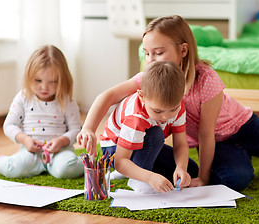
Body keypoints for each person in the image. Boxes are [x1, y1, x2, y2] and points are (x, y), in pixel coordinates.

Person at [78, 15, 259, 192]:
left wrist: (204, 178)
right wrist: (88, 128)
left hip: (244, 127)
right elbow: (107, 96)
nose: (150, 60)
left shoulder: (205, 78)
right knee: (235, 179)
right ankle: (241, 156)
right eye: (147, 53)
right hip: (219, 142)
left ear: (183, 50)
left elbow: (205, 133)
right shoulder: (150, 79)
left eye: (158, 53)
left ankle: (258, 149)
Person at [79, 61, 197, 193]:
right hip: (115, 150)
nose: (166, 117)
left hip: (144, 144)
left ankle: (132, 171)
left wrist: (181, 167)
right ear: (141, 97)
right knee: (156, 135)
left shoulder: (177, 106)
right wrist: (149, 177)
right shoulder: (135, 118)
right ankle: (137, 178)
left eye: (173, 110)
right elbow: (120, 161)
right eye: (158, 111)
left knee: (191, 170)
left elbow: (180, 143)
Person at [0, 45, 84, 179]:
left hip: (60, 153)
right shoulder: (23, 98)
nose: (44, 87)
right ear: (29, 76)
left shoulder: (66, 100)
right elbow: (9, 126)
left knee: (66, 169)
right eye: (38, 80)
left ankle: (86, 161)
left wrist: (61, 141)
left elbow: (77, 129)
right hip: (30, 153)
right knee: (13, 169)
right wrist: (25, 139)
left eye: (53, 81)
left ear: (62, 80)